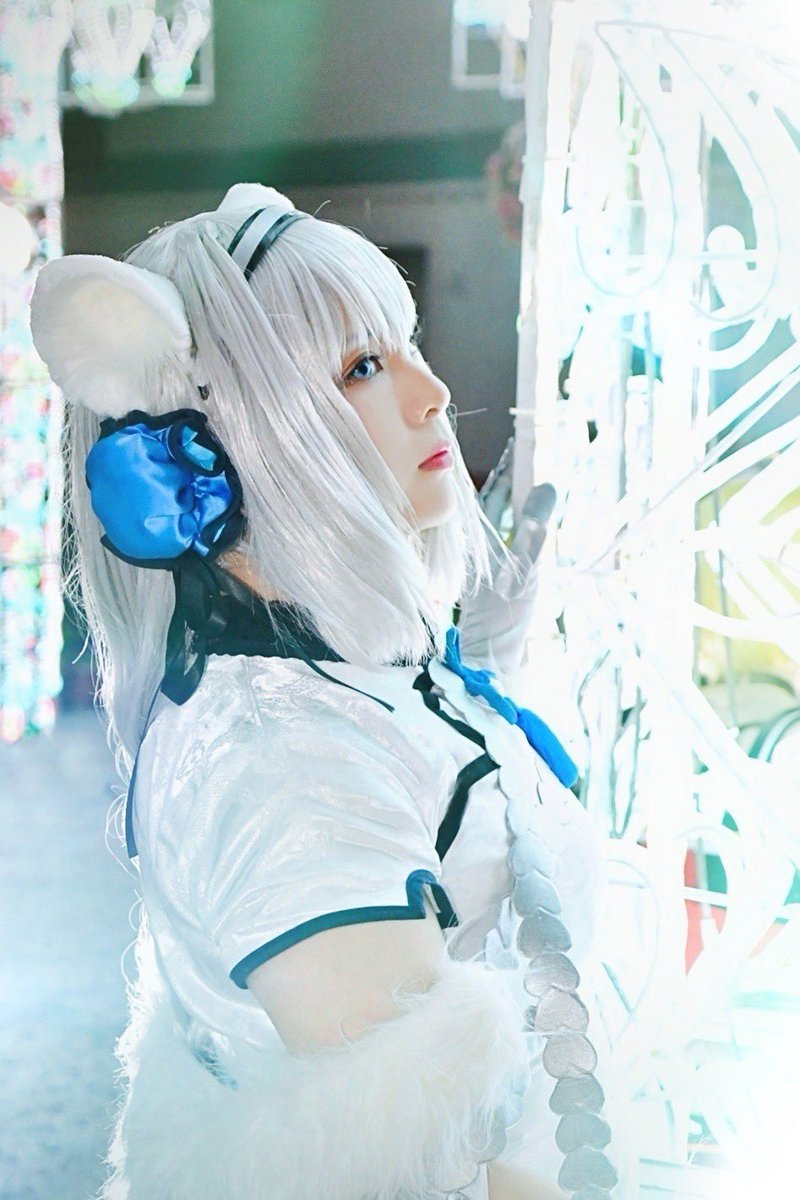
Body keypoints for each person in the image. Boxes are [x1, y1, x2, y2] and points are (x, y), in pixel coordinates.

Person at [30, 184, 617, 1200]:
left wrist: (483, 658)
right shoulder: (283, 768)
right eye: (360, 369)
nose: (432, 392)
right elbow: (420, 1169)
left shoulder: (322, 684)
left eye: (403, 345)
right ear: (236, 439)